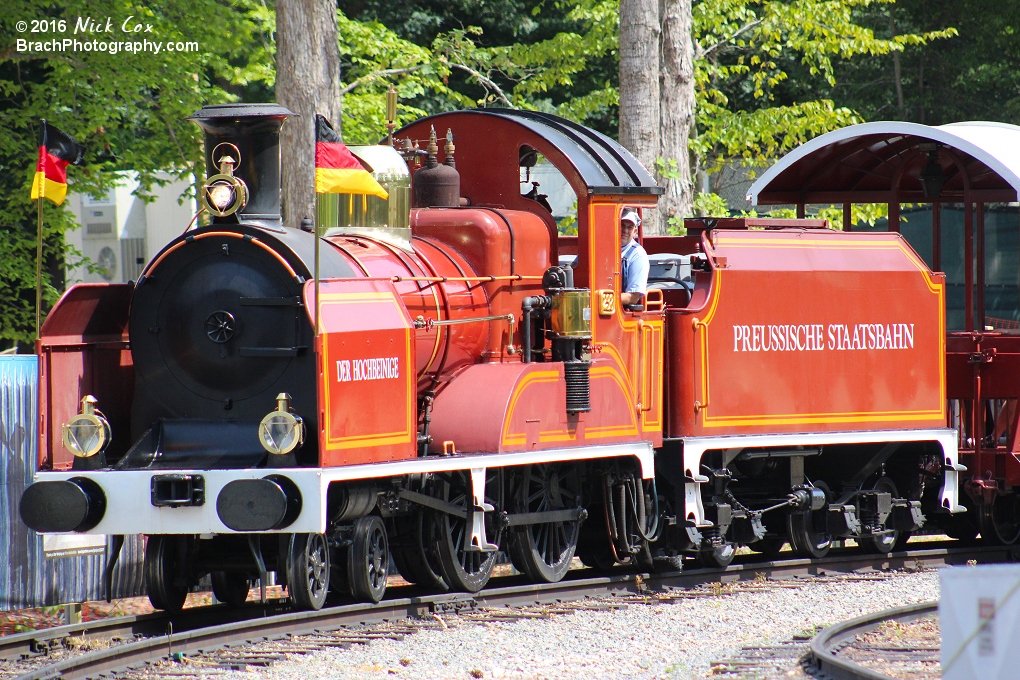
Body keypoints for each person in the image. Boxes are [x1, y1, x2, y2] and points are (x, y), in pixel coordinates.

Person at [619, 207, 649, 307]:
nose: (625, 230)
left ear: (635, 231)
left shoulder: (638, 255)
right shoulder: (598, 247)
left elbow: (633, 297)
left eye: (630, 227)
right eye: (622, 225)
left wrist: (601, 299)